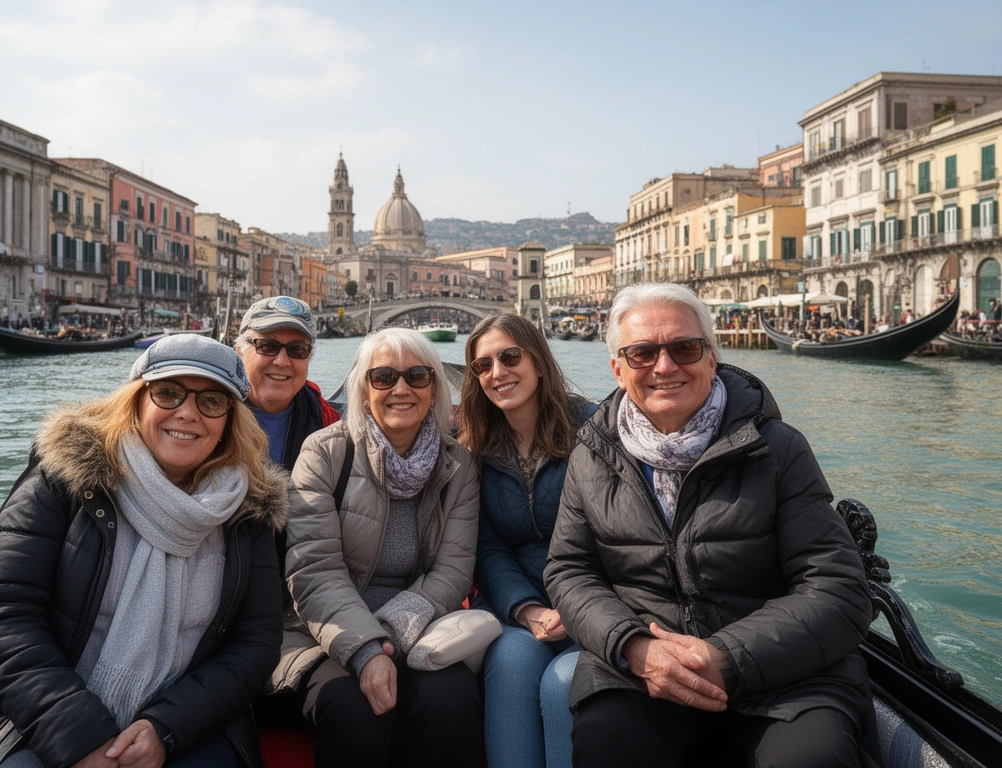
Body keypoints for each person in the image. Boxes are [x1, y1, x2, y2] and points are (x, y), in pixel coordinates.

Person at [0, 335, 288, 768]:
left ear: (229, 419)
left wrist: (164, 728)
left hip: (187, 716)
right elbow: (5, 614)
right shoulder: (64, 480)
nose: (188, 412)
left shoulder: (249, 509)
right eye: (168, 393)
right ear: (137, 400)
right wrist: (80, 736)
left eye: (211, 401)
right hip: (26, 709)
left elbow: (256, 643)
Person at [544, 283, 873, 768]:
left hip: (785, 675)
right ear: (617, 368)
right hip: (643, 675)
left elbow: (838, 590)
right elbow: (569, 572)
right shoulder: (590, 456)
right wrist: (633, 646)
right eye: (642, 353)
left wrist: (725, 657)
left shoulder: (778, 448)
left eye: (684, 347)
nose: (665, 366)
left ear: (712, 357)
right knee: (605, 746)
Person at [271, 327, 483, 768]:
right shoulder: (325, 453)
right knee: (354, 708)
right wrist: (367, 649)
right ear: (364, 391)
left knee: (454, 700)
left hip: (418, 627)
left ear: (433, 390)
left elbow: (454, 569)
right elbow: (314, 571)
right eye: (383, 377)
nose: (401, 388)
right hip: (318, 634)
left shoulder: (457, 464)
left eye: (417, 376)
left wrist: (393, 632)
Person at [458, 314, 594, 768]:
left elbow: (618, 537)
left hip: (596, 606)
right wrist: (528, 610)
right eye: (482, 366)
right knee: (512, 664)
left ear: (537, 359)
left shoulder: (593, 431)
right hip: (521, 609)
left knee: (562, 681)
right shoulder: (477, 447)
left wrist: (575, 611)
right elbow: (488, 547)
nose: (498, 373)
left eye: (510, 356)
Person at [233, 296, 340, 472]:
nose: (282, 361)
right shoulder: (208, 417)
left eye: (297, 349)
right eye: (267, 346)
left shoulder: (331, 426)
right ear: (240, 352)